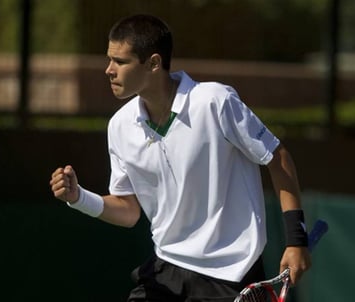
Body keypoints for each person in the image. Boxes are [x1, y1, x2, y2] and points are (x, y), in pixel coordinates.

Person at [49, 14, 311, 302]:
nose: (109, 70)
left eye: (120, 62)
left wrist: (296, 240)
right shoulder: (120, 125)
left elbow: (278, 158)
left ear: (153, 64)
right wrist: (78, 198)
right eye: (109, 60)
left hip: (231, 274)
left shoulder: (215, 101)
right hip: (166, 269)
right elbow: (128, 210)